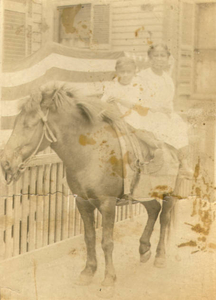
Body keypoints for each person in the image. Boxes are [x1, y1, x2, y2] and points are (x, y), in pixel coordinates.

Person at [138, 43, 193, 178]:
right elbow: (138, 99)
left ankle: (183, 165)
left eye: (163, 55)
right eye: (155, 56)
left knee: (179, 124)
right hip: (146, 113)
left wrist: (168, 110)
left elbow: (169, 100)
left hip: (163, 113)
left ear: (167, 58)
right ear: (150, 59)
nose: (159, 59)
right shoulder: (142, 76)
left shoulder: (167, 78)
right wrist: (154, 108)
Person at [100, 56, 164, 173]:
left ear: (134, 72)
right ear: (117, 72)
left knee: (133, 127)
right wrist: (107, 103)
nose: (125, 75)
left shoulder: (137, 85)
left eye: (128, 72)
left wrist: (119, 100)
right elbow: (103, 102)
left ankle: (153, 146)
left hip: (135, 115)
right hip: (115, 116)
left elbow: (138, 106)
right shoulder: (112, 85)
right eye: (122, 72)